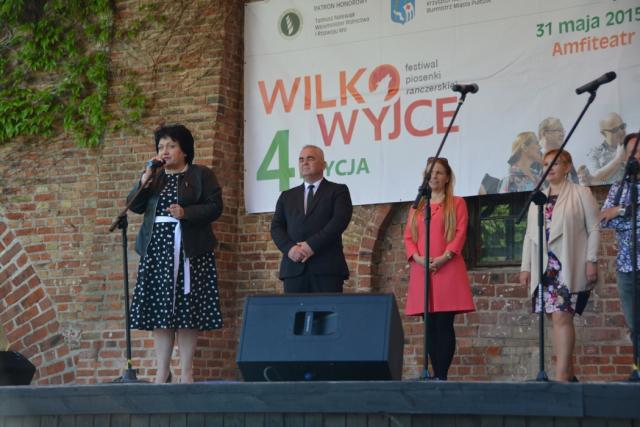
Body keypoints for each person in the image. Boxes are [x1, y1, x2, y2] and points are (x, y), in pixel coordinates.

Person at [127, 124, 223, 384]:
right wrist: (145, 178)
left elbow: (215, 207)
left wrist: (186, 213)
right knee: (161, 312)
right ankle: (162, 371)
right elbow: (133, 206)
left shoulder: (201, 174)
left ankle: (186, 372)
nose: (165, 151)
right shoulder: (155, 177)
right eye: (161, 147)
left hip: (190, 251)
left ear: (184, 150)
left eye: (171, 146)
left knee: (187, 311)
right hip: (158, 252)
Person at [520, 149, 600, 382]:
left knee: (561, 317)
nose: (550, 168)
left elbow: (594, 228)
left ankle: (562, 375)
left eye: (555, 163)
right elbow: (529, 235)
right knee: (553, 318)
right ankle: (569, 375)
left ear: (567, 167)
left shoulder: (581, 193)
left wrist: (591, 260)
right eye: (546, 164)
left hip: (567, 264)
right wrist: (526, 267)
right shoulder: (538, 198)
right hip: (544, 267)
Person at [404, 157, 475, 380]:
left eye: (439, 173)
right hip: (422, 269)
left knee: (444, 323)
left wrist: (445, 257)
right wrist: (418, 258)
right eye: (430, 172)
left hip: (447, 268)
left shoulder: (457, 203)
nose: (433, 176)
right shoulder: (417, 206)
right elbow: (408, 237)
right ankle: (434, 373)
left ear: (447, 178)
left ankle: (442, 376)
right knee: (430, 325)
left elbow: (460, 233)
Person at [270, 145, 353, 293]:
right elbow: (276, 227)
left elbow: (339, 222)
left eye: (310, 158)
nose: (305, 163)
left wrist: (311, 245)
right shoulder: (287, 196)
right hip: (294, 269)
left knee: (326, 308)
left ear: (324, 165)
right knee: (294, 309)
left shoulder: (338, 191)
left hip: (327, 269)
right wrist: (290, 249)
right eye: (301, 159)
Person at [601, 132, 640, 349]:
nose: (636, 156)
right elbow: (604, 220)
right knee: (635, 325)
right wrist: (626, 211)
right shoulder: (618, 188)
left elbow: (616, 216)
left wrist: (620, 211)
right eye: (632, 152)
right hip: (627, 268)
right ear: (625, 157)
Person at [584, 113, 627, 185]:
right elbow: (594, 178)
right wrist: (618, 159)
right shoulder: (594, 153)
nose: (621, 132)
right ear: (603, 133)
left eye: (622, 127)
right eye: (615, 130)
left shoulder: (634, 147)